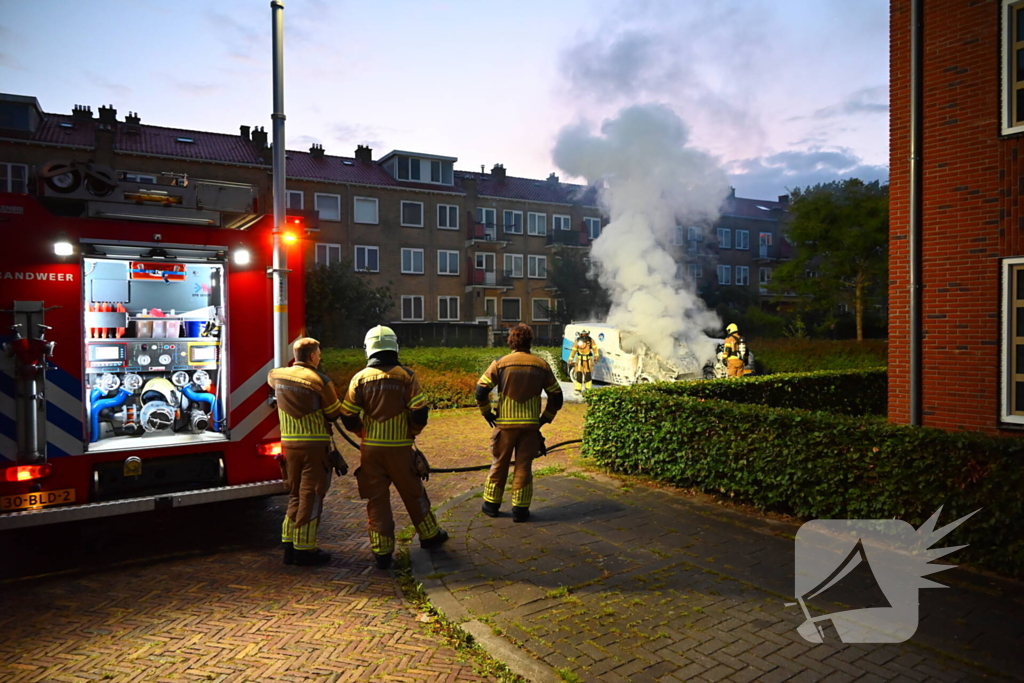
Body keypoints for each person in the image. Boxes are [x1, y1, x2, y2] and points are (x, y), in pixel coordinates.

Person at [338, 325, 448, 570]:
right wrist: (411, 432)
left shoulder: (359, 378)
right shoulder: (406, 376)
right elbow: (420, 413)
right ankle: (430, 535)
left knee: (376, 500)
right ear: (394, 347)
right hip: (400, 449)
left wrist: (362, 433)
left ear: (368, 348)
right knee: (413, 493)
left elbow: (348, 415)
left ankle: (382, 551)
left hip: (371, 451)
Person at [476, 323, 563, 522]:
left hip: (505, 425)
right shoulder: (541, 365)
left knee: (500, 463)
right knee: (524, 466)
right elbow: (557, 397)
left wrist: (487, 413)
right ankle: (520, 510)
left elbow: (480, 391)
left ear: (511, 341)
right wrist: (544, 418)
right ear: (530, 341)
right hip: (530, 426)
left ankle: (491, 505)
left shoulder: (500, 363)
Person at [267, 337, 343, 567]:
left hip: (289, 447)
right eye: (318, 354)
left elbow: (271, 382)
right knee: (312, 496)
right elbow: (333, 413)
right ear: (312, 356)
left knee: (295, 495)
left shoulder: (277, 375)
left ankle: (288, 544)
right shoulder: (320, 380)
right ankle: (305, 549)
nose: (319, 357)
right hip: (314, 447)